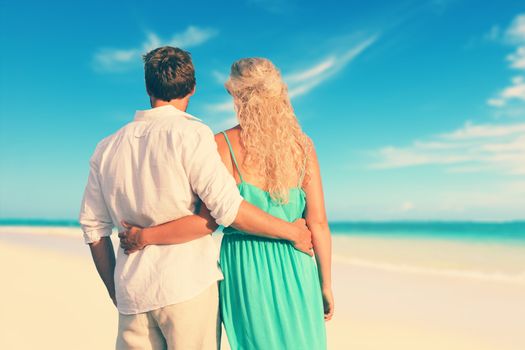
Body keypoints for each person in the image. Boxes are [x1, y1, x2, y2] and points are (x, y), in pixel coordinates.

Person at [79, 47, 313, 350]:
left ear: (148, 87)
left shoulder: (106, 147)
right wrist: (292, 231)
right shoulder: (193, 134)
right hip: (187, 289)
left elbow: (93, 229)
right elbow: (226, 209)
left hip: (132, 295)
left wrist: (116, 290)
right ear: (192, 88)